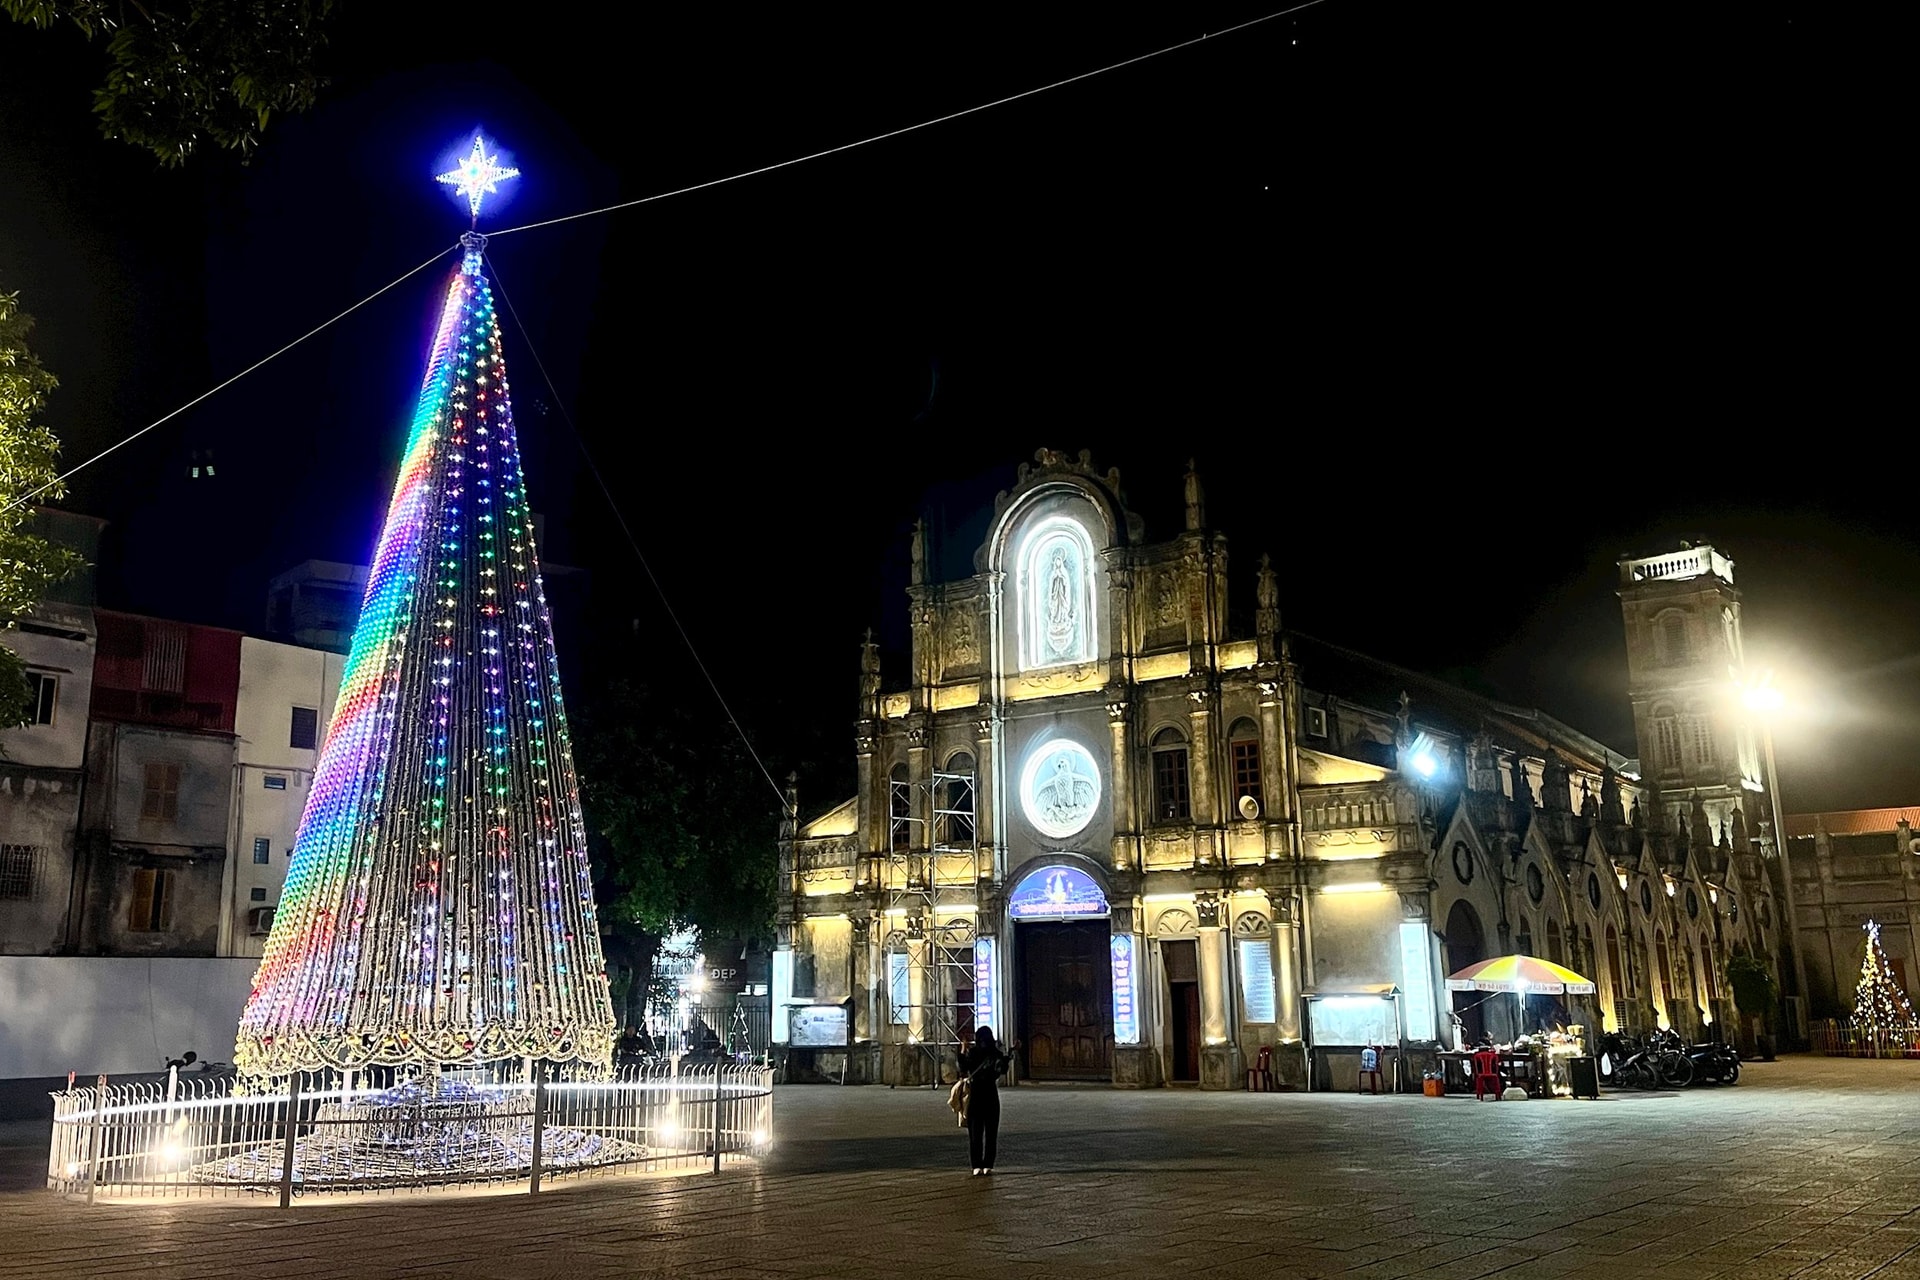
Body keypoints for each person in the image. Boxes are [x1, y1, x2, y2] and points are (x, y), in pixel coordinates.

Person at [957, 1026, 1017, 1176]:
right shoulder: (995, 1054)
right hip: (991, 1094)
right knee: (991, 1133)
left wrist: (963, 1049)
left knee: (975, 1134)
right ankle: (988, 1164)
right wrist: (1011, 1052)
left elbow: (963, 1068)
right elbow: (1002, 1069)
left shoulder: (973, 1053)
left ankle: (976, 1165)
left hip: (975, 1096)